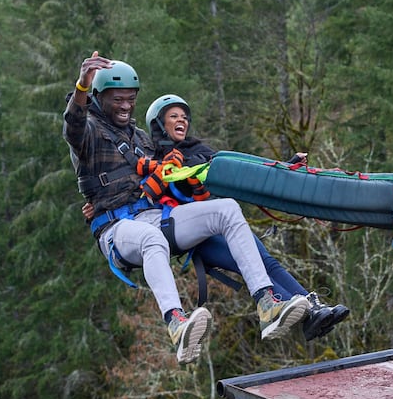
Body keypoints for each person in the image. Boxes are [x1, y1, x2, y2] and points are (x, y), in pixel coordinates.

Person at [63, 52, 310, 365]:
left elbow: (199, 165)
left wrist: (277, 170)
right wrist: (82, 86)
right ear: (99, 98)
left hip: (156, 215)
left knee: (226, 209)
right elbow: (73, 125)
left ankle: (267, 303)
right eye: (117, 100)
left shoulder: (141, 139)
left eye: (130, 99)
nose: (125, 106)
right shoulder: (90, 134)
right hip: (117, 229)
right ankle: (178, 325)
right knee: (151, 240)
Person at [142, 92, 350, 341]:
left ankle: (310, 309)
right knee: (254, 263)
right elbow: (140, 194)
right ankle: (285, 308)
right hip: (195, 236)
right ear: (159, 124)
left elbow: (241, 171)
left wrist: (286, 165)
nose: (182, 121)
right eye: (174, 116)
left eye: (185, 117)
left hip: (222, 222)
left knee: (267, 261)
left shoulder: (199, 151)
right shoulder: (155, 162)